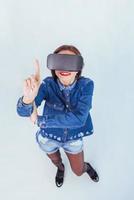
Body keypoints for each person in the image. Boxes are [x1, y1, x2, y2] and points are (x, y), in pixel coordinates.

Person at [16, 45, 99, 187]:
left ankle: (85, 167)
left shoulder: (86, 85)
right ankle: (60, 168)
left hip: (73, 139)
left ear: (79, 67)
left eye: (70, 62)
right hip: (48, 137)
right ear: (53, 66)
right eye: (60, 62)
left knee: (78, 171)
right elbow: (23, 112)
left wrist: (41, 120)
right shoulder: (48, 85)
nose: (64, 68)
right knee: (55, 160)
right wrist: (28, 99)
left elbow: (79, 118)